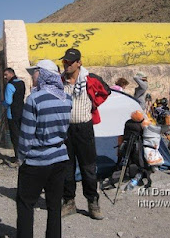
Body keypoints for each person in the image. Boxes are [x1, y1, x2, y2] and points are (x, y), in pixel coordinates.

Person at [16, 59, 72, 238]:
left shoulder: (34, 99)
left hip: (36, 161)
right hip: (59, 159)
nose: (33, 76)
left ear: (44, 75)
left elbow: (26, 135)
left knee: (26, 204)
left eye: (35, 72)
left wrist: (20, 158)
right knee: (54, 206)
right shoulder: (67, 99)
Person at [60, 48, 110, 220]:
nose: (66, 65)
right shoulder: (60, 80)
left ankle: (92, 202)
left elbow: (106, 91)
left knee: (88, 167)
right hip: (66, 130)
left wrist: (94, 103)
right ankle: (69, 202)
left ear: (79, 63)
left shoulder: (90, 79)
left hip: (84, 128)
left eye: (69, 62)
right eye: (64, 62)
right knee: (67, 167)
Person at [2, 68, 25, 165]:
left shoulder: (10, 85)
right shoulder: (22, 83)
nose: (4, 77)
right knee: (22, 135)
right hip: (22, 112)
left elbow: (8, 101)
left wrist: (3, 104)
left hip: (12, 114)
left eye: (6, 74)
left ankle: (18, 158)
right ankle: (24, 155)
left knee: (15, 136)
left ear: (11, 74)